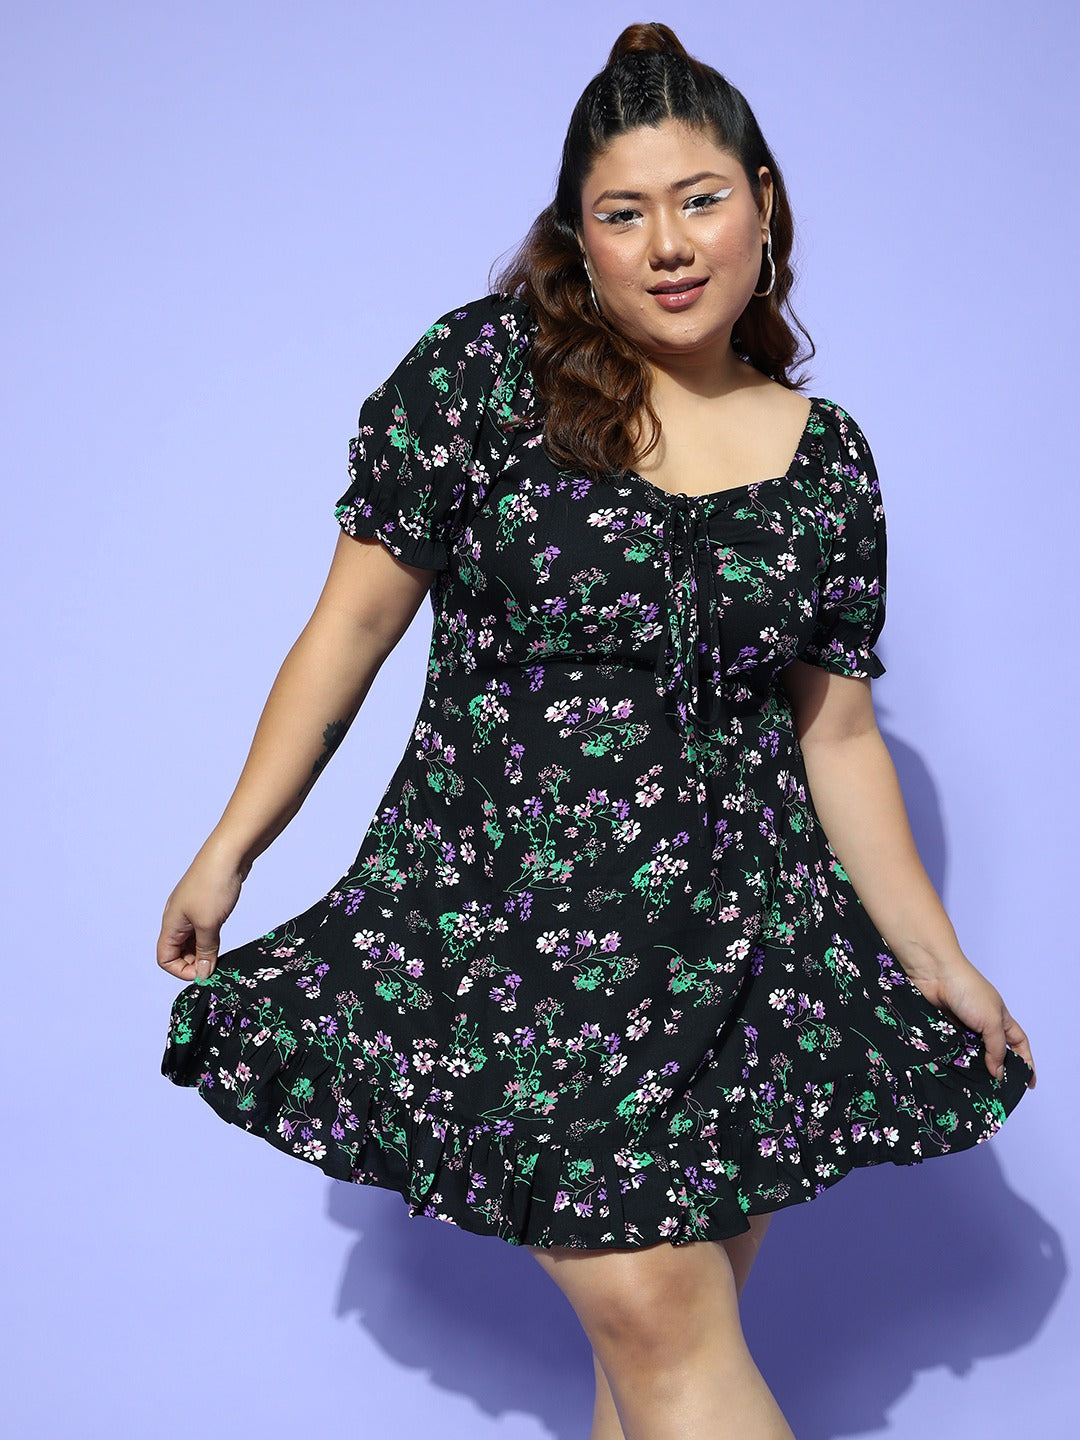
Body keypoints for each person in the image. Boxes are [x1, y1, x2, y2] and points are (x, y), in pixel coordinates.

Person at [158, 21, 1037, 1440]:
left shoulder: (826, 459)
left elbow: (839, 741)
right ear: (579, 235)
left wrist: (938, 961)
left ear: (763, 202)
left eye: (700, 200)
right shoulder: (482, 380)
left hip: (740, 951)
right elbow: (352, 629)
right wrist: (232, 848)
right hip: (506, 933)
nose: (669, 245)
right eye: (623, 214)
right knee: (661, 1328)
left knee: (655, 1367)